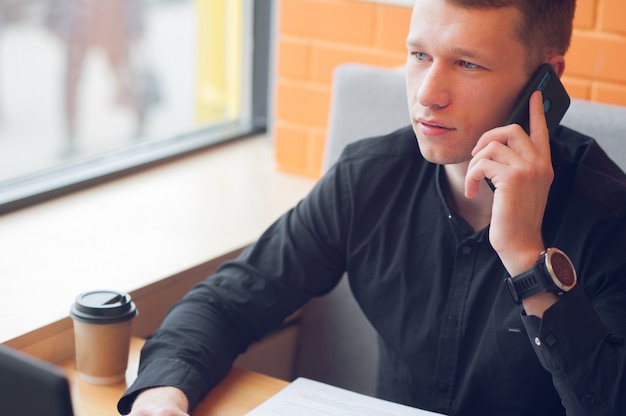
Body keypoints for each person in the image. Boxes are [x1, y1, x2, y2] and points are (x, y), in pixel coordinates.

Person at [118, 0, 626, 415]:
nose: (428, 95)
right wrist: (162, 395)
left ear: (545, 81)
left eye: (467, 64)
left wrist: (524, 256)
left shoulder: (609, 214)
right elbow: (228, 302)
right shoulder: (369, 178)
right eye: (419, 55)